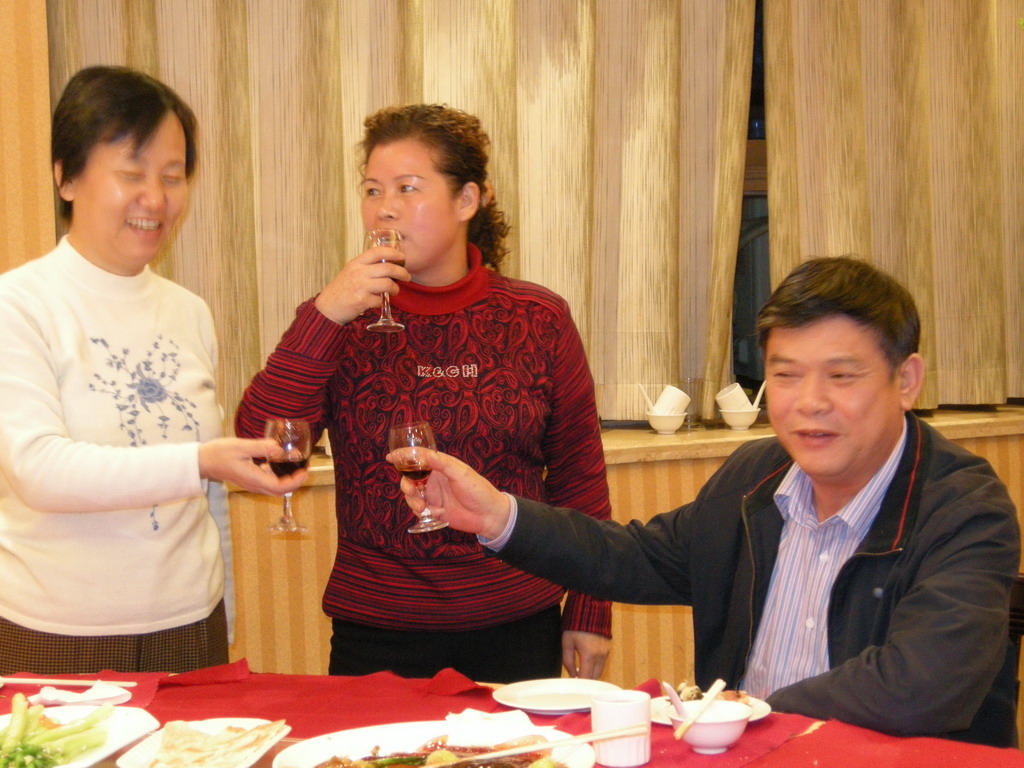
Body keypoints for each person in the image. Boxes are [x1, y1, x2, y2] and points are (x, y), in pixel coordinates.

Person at [390, 256, 1020, 747]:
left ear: (906, 381)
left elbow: (922, 688)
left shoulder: (963, 508)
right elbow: (636, 557)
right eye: (786, 374)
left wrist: (749, 712)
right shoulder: (757, 476)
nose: (809, 402)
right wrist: (497, 514)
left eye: (842, 375)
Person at [235, 103, 612, 682]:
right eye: (371, 189)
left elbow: (579, 474)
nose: (383, 207)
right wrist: (326, 314)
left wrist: (590, 606)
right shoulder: (341, 322)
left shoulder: (538, 317)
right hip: (378, 633)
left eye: (407, 188)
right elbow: (259, 443)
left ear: (467, 200)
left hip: (516, 619)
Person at [0, 66, 305, 675]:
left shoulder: (188, 312)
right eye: (131, 174)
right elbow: (38, 470)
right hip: (59, 632)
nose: (157, 199)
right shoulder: (19, 304)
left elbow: (208, 498)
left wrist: (222, 610)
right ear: (65, 176)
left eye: (172, 176)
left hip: (189, 626)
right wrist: (199, 461)